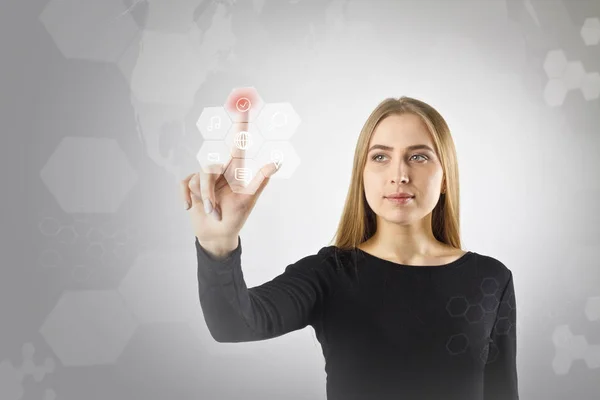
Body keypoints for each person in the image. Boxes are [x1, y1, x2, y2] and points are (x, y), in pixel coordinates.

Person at [180, 96, 519, 400]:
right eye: (381, 157)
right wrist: (218, 243)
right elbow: (233, 325)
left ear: (445, 177)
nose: (399, 174)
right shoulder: (330, 275)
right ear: (362, 174)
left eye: (418, 156)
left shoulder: (491, 279)